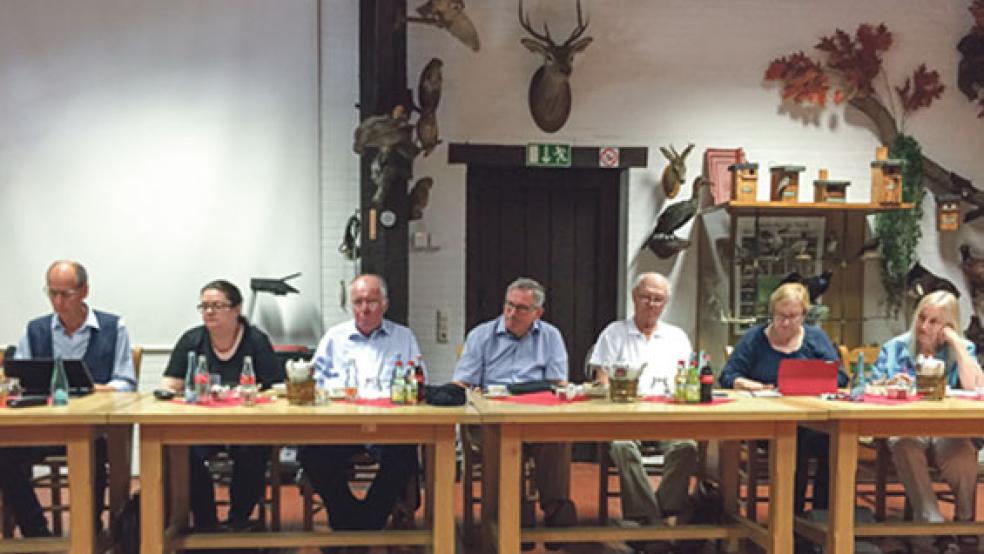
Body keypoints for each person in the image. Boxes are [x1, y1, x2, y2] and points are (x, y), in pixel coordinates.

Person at [0, 260, 136, 537]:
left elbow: (125, 382)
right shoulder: (35, 330)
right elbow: (18, 378)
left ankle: (89, 529)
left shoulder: (113, 327)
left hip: (94, 429)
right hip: (43, 428)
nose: (58, 302)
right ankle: (35, 531)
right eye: (52, 293)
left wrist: (95, 389)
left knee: (93, 451)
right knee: (4, 452)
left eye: (66, 294)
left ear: (84, 291)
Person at [298, 274, 423, 539]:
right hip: (340, 425)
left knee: (404, 455)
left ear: (385, 304)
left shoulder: (403, 337)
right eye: (358, 302)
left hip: (388, 426)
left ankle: (361, 524)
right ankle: (352, 520)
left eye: (371, 301)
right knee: (311, 454)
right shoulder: (334, 337)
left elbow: (418, 380)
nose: (364, 309)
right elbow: (314, 381)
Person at [453, 277, 577, 538]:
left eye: (521, 308)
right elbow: (461, 384)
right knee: (502, 440)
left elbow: (558, 384)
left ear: (537, 313)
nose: (511, 313)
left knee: (559, 436)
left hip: (536, 417)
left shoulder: (550, 336)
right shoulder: (481, 335)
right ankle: (511, 512)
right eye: (508, 305)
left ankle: (554, 507)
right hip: (491, 419)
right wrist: (473, 394)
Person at [160, 279, 284, 531]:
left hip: (247, 425)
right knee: (182, 451)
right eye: (204, 306)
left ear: (236, 309)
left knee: (252, 451)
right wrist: (175, 392)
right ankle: (206, 520)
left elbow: (277, 388)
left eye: (217, 306)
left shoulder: (255, 341)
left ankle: (239, 519)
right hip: (202, 426)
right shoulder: (192, 340)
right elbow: (169, 384)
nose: (209, 312)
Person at [719, 282, 847, 514]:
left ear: (804, 315)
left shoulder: (816, 338)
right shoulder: (754, 339)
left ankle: (823, 515)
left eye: (793, 317)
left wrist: (815, 383)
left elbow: (840, 377)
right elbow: (727, 376)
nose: (786, 323)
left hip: (812, 417)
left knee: (835, 441)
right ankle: (790, 516)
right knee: (795, 441)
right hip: (767, 421)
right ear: (772, 312)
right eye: (780, 316)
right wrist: (747, 383)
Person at [871, 291, 983, 554]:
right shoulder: (895, 348)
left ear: (948, 325)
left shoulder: (962, 349)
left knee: (961, 454)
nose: (924, 326)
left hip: (947, 431)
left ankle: (964, 522)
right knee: (903, 444)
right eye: (922, 318)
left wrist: (955, 342)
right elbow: (868, 389)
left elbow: (977, 389)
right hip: (907, 428)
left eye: (934, 322)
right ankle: (931, 524)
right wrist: (888, 385)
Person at [590, 273, 698, 532]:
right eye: (645, 297)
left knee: (687, 447)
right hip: (625, 417)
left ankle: (663, 510)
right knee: (622, 446)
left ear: (665, 303)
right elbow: (601, 378)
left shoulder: (677, 337)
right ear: (633, 298)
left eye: (658, 299)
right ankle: (648, 517)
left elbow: (688, 378)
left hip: (668, 415)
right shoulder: (614, 333)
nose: (651, 304)